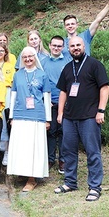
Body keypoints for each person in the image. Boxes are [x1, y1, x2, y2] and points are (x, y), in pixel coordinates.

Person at [54, 36, 109, 202]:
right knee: (68, 151)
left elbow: (104, 87)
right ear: (68, 49)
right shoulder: (67, 68)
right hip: (70, 118)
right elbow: (63, 91)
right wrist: (60, 113)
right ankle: (70, 182)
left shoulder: (95, 65)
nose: (75, 48)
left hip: (90, 117)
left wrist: (101, 110)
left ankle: (94, 187)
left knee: (92, 152)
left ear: (83, 46)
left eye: (78, 45)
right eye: (72, 46)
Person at [7, 46, 51, 192]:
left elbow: (46, 97)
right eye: (24, 57)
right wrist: (11, 116)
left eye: (30, 56)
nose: (27, 59)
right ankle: (22, 173)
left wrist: (48, 119)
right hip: (20, 114)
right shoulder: (18, 75)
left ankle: (32, 179)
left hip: (37, 115)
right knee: (22, 146)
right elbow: (13, 96)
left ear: (35, 57)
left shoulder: (42, 75)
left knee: (33, 147)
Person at [40, 36, 72, 173]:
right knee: (51, 131)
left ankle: (63, 160)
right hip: (49, 102)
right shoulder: (43, 62)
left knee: (64, 132)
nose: (56, 48)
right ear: (50, 45)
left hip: (65, 103)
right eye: (54, 45)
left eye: (59, 46)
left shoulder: (68, 61)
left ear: (63, 47)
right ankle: (50, 159)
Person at [0, 43, 15, 166]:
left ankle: (6, 151)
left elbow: (11, 81)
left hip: (6, 92)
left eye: (2, 50)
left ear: (5, 52)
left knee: (5, 121)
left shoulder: (9, 66)